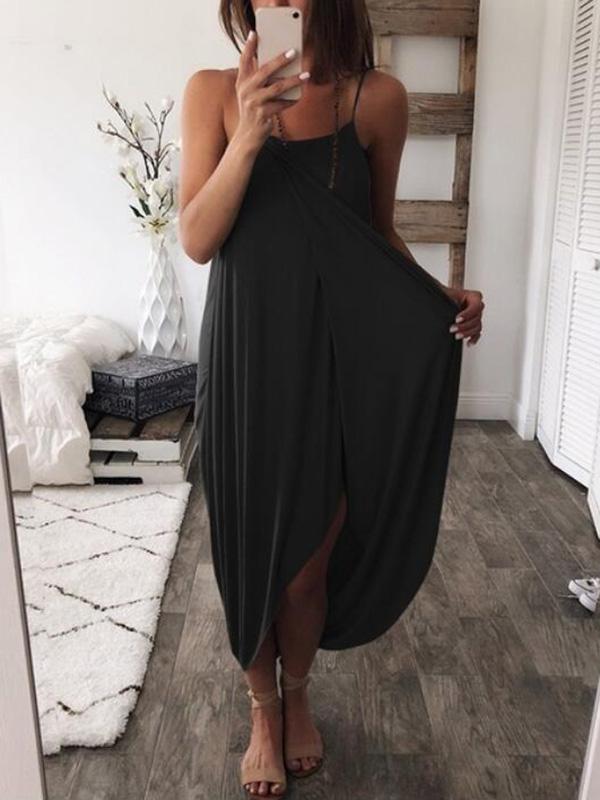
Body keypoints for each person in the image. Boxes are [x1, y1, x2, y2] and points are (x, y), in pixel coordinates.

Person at [179, 1, 484, 797]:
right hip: (245, 358)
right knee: (249, 553)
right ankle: (262, 711)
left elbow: (376, 236)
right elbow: (197, 238)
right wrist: (250, 132)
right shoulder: (211, 92)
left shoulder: (376, 99)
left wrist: (440, 299)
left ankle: (300, 692)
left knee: (306, 569)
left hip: (331, 361)